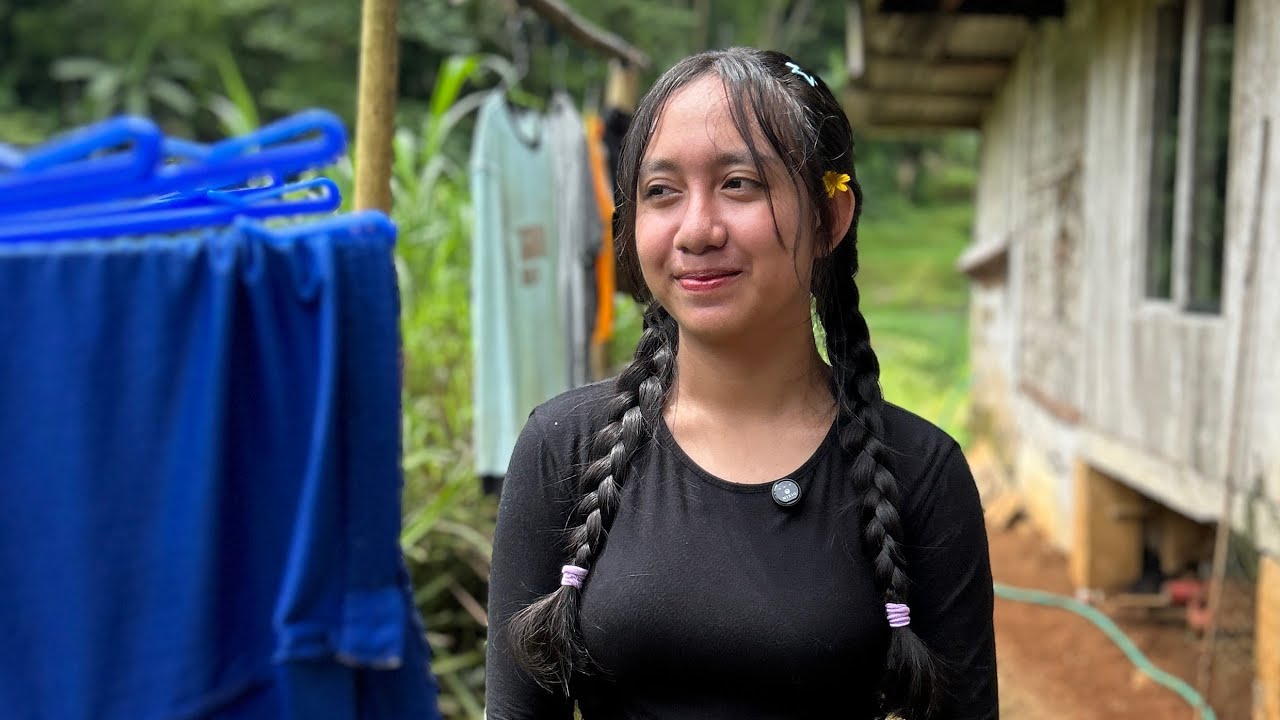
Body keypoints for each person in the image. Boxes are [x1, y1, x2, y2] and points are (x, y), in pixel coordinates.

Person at [484, 47, 998, 719]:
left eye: (740, 183)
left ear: (830, 218)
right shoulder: (563, 448)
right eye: (662, 192)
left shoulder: (921, 474)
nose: (697, 230)